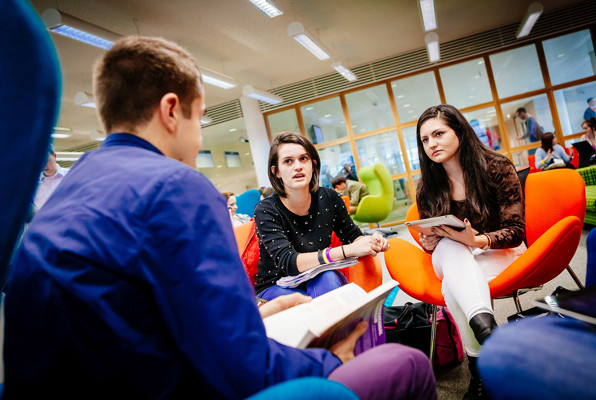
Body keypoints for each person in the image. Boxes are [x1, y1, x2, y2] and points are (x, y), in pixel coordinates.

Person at [4, 36, 436, 400]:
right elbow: (241, 367)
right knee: (406, 363)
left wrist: (257, 314)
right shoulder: (177, 187)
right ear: (172, 110)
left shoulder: (62, 196)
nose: (198, 135)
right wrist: (329, 360)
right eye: (202, 116)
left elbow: (137, 319)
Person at [415, 104, 526, 399]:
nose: (431, 144)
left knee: (454, 285)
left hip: (497, 251)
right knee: (450, 247)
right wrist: (430, 240)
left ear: (460, 132)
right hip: (452, 255)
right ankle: (488, 332)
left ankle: (480, 367)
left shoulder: (497, 167)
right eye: (425, 139)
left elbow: (516, 231)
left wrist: (478, 241)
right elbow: (433, 238)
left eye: (438, 134)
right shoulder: (428, 185)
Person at [253, 132, 390, 300]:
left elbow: (352, 236)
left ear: (313, 164)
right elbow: (288, 261)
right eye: (288, 161)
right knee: (307, 302)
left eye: (303, 159)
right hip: (277, 284)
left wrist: (370, 241)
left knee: (329, 278)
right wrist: (346, 250)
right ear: (277, 172)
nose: (298, 166)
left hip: (319, 277)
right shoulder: (265, 209)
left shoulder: (329, 197)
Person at [478, 225, 596, 400]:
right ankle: (483, 335)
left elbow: (516, 230)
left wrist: (476, 239)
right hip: (463, 252)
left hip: (498, 247)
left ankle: (481, 341)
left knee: (503, 349)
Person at [32, 144, 69, 210]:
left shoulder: (70, 175)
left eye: (46, 160)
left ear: (54, 156)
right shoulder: (33, 183)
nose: (44, 165)